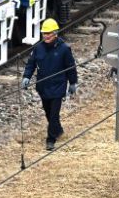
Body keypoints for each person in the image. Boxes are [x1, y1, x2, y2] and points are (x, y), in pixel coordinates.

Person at [21, 18, 78, 151]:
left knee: (53, 114)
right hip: (43, 87)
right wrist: (26, 77)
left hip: (58, 87)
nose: (46, 36)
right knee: (48, 112)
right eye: (44, 33)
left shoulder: (64, 49)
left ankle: (50, 139)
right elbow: (31, 64)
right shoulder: (38, 48)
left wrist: (73, 83)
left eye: (49, 33)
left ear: (56, 33)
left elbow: (71, 67)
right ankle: (58, 130)